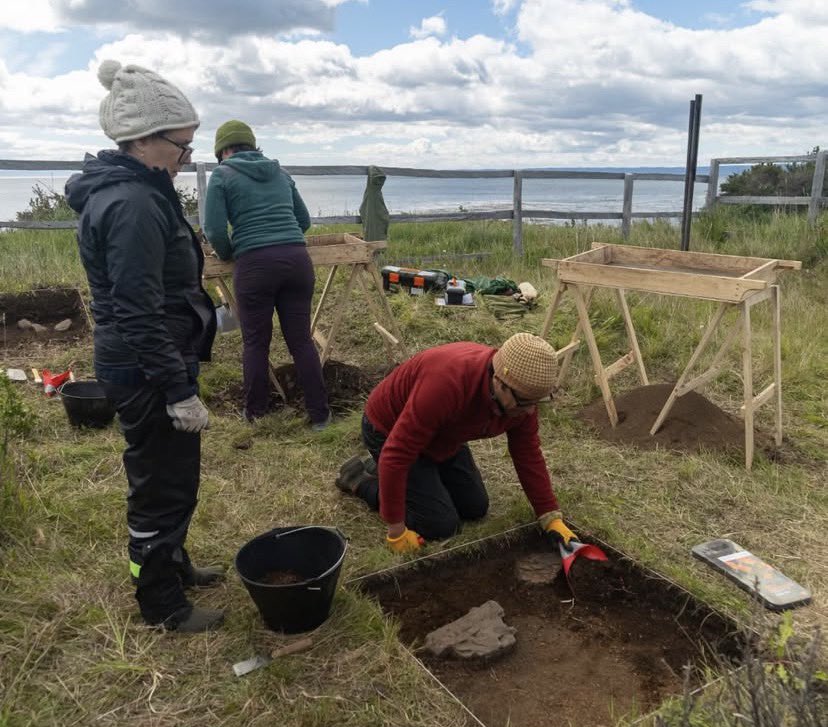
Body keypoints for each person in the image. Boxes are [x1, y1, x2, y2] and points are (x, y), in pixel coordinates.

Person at [66, 60, 224, 632]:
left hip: (157, 358)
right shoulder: (131, 206)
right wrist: (177, 389)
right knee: (159, 485)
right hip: (146, 367)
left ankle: (174, 563)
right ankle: (161, 603)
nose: (187, 157)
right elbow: (137, 309)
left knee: (175, 475)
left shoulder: (145, 189)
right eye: (181, 145)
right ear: (143, 140)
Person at [335, 333, 577, 552]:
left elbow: (527, 453)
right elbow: (397, 453)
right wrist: (396, 530)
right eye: (525, 403)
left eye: (537, 403)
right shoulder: (447, 383)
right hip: (388, 430)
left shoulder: (524, 395)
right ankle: (359, 479)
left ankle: (396, 474)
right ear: (500, 383)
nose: (529, 412)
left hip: (444, 435)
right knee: (440, 524)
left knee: (475, 507)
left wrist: (550, 516)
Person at [203, 120, 330, 427]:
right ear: (252, 145)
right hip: (297, 261)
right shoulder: (280, 173)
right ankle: (320, 415)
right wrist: (283, 239)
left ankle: (256, 413)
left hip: (255, 265)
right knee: (300, 339)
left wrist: (230, 252)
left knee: (256, 342)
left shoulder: (221, 175)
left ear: (224, 150)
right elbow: (304, 220)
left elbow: (215, 230)